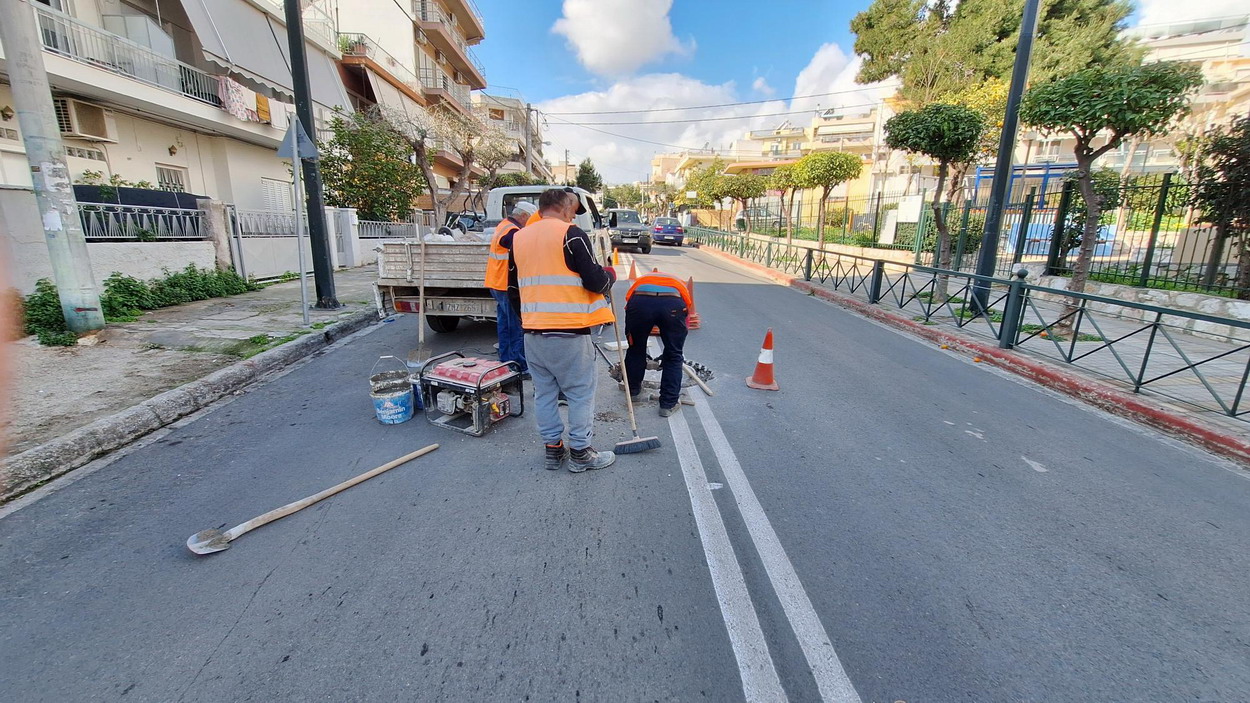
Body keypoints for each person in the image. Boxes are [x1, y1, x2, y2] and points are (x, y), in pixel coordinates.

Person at [509, 188, 617, 473]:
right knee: (580, 394)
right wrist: (610, 277)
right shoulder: (571, 235)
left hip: (533, 334)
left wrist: (528, 320)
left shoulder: (518, 238)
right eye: (574, 210)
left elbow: (512, 290)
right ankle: (581, 453)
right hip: (569, 333)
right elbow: (595, 282)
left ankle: (553, 450)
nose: (574, 216)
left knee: (544, 394)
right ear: (564, 204)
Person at [623, 271, 691, 417]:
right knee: (674, 355)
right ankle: (668, 404)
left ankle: (633, 392)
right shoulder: (678, 282)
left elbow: (628, 301)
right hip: (672, 304)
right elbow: (686, 311)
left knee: (635, 350)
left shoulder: (642, 280)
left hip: (640, 303)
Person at [485, 201, 536, 377]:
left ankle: (506, 361)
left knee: (505, 325)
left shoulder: (503, 225)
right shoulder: (511, 231)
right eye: (529, 220)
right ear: (523, 216)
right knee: (515, 326)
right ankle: (519, 365)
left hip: (497, 283)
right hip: (506, 285)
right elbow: (511, 243)